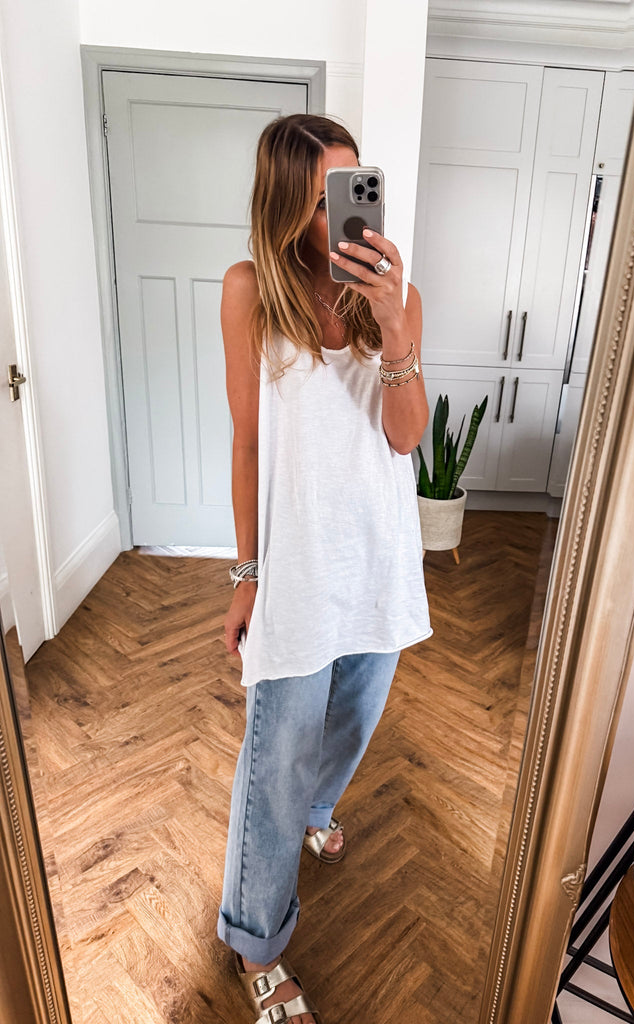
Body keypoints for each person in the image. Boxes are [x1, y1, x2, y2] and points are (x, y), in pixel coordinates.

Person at [217, 114, 432, 1024]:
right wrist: (246, 573)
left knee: (350, 721)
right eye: (318, 199)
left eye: (350, 190)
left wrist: (393, 327)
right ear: (283, 204)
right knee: (276, 760)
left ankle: (318, 812)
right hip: (298, 571)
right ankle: (257, 944)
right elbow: (248, 442)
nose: (339, 216)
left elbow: (407, 438)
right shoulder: (249, 293)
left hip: (379, 561)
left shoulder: (395, 297)